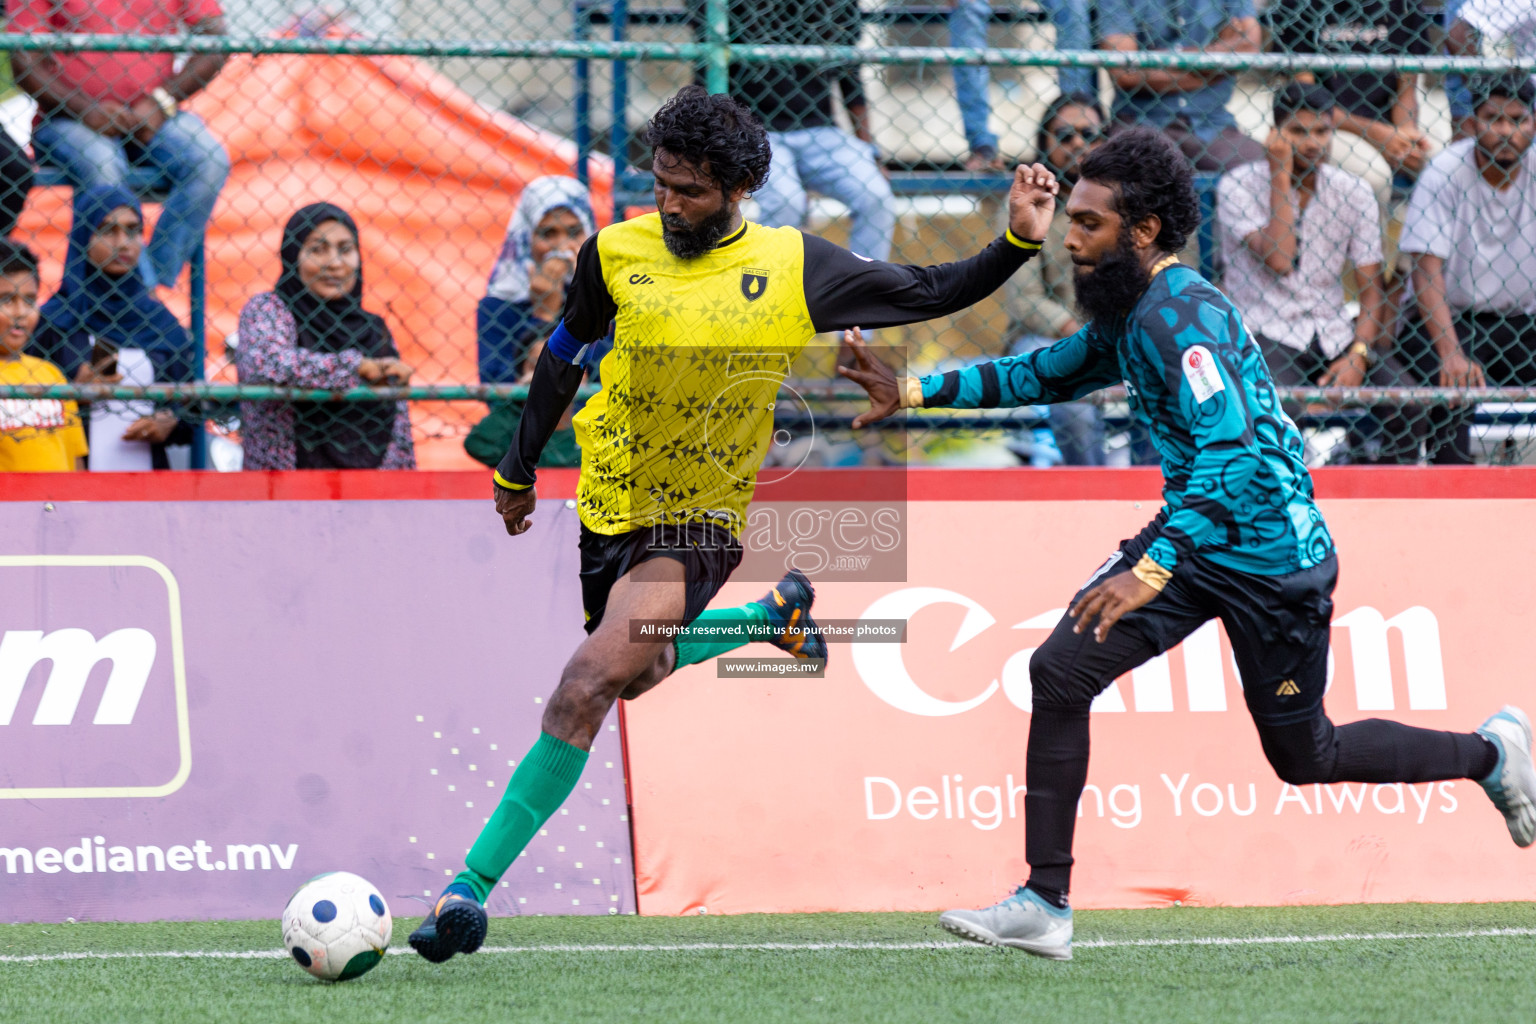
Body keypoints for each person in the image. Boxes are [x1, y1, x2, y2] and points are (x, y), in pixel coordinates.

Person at [840, 126, 1536, 961]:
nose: (1069, 236)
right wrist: (911, 387)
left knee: (1306, 756)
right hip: (1199, 537)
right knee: (1060, 669)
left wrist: (1154, 566)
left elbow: (1233, 450)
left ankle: (1492, 754)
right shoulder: (1134, 309)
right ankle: (1044, 901)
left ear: (1141, 232)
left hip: (1274, 559)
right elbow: (1041, 373)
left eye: (1090, 223)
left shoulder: (1181, 318)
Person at [407, 85, 1058, 963]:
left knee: (585, 684)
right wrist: (518, 468)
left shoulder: (794, 266)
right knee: (632, 677)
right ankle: (768, 622)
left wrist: (1017, 237)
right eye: (661, 186)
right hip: (611, 499)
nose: (669, 205)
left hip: (701, 518)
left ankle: (465, 891)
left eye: (690, 191)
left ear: (740, 187)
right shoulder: (612, 252)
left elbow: (931, 288)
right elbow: (563, 359)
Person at [1217, 83, 1421, 463]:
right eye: (1298, 131)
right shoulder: (1238, 186)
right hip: (1267, 329)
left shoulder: (1352, 190)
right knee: (1274, 415)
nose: (1312, 143)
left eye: (1321, 131)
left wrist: (1359, 353)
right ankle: (1283, 505)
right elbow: (1279, 259)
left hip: (1334, 328)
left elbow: (1371, 287)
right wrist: (1280, 174)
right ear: (1275, 133)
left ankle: (1385, 494)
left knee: (1409, 405)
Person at [8, 0, 231, 289]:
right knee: (102, 164)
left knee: (210, 160)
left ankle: (145, 290)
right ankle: (126, 300)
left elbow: (216, 39)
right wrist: (85, 109)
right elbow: (23, 60)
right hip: (69, 117)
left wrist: (161, 102)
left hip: (154, 114)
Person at [1400, 73, 1536, 463]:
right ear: (1473, 122)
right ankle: (1451, 494)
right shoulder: (1444, 172)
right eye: (1494, 118)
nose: (1506, 131)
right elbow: (1425, 272)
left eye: (1518, 119)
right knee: (1451, 385)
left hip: (1521, 322)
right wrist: (1450, 352)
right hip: (1447, 320)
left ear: (1534, 123)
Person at [701, 0, 897, 261]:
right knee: (785, 200)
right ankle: (766, 287)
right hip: (754, 131)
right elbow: (706, 75)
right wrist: (717, 149)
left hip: (821, 131)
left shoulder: (836, 5)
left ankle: (864, 289)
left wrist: (870, 149)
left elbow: (851, 79)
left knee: (877, 197)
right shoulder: (734, 6)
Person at [234, 203, 415, 470]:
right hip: (283, 488)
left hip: (372, 489)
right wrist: (355, 368)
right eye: (318, 250)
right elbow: (268, 365)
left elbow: (398, 430)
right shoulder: (268, 309)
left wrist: (404, 491)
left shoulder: (374, 328)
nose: (334, 263)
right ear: (293, 255)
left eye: (345, 249)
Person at [31, 185, 195, 468]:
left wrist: (170, 421)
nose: (123, 243)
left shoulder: (160, 321)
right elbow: (18, 407)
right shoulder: (54, 321)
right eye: (108, 230)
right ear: (84, 236)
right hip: (70, 481)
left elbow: (193, 410)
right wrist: (71, 396)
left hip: (148, 483)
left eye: (132, 231)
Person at [1005, 92, 1109, 464]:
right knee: (1071, 391)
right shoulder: (1028, 204)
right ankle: (1094, 493)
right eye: (1064, 135)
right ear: (1045, 144)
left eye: (1088, 133)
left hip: (1112, 336)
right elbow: (1025, 299)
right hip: (1046, 337)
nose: (1078, 143)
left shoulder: (1126, 205)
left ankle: (1150, 494)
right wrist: (1076, 333)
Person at [1265, 0, 1436, 187]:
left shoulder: (1404, 4)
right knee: (1374, 176)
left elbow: (1406, 92)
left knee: (1438, 164)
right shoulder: (1298, 4)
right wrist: (1378, 134)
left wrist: (1405, 137)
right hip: (1327, 127)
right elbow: (1306, 107)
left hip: (1388, 127)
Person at [1097, 0, 1265, 172]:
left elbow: (1249, 46)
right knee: (1139, 171)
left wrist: (1150, 60)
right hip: (1141, 122)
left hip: (1212, 124)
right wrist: (1211, 67)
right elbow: (1125, 74)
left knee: (1260, 169)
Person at [479, 176, 595, 385]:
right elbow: (498, 393)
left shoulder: (609, 296)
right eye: (548, 233)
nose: (562, 246)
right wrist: (543, 316)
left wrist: (586, 297)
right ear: (527, 237)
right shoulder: (498, 306)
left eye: (574, 232)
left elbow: (609, 377)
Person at [0, 240, 87, 471]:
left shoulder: (50, 374)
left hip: (54, 505)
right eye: (6, 300)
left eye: (29, 300)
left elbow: (74, 459)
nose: (20, 313)